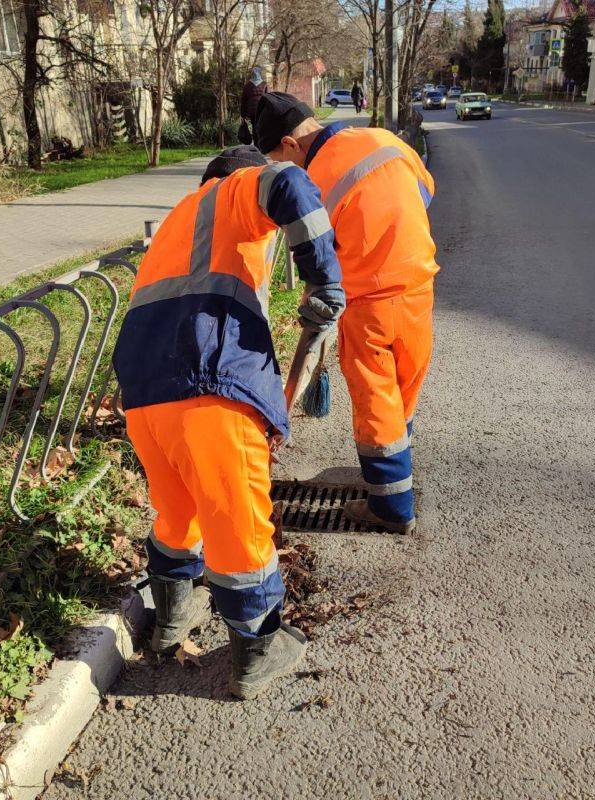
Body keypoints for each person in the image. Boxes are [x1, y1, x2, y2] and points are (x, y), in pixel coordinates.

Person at [112, 145, 345, 699]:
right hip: (208, 385)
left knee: (178, 510)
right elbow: (287, 181)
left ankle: (171, 618)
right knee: (240, 526)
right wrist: (325, 280)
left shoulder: (175, 222)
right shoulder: (232, 191)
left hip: (145, 396)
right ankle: (257, 652)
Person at [254, 92, 439, 536]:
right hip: (419, 286)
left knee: (376, 400)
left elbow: (317, 253)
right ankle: (395, 475)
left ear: (289, 142)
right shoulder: (383, 139)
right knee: (403, 389)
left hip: (369, 300)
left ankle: (391, 509)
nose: (286, 171)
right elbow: (425, 192)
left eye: (280, 160)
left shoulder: (313, 180)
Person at [240, 67, 268, 142]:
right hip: (261, 110)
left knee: (254, 127)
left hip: (252, 111)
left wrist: (243, 115)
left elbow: (243, 101)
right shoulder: (264, 84)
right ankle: (260, 144)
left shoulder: (247, 85)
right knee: (260, 127)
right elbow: (268, 98)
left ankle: (256, 143)